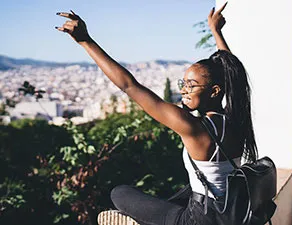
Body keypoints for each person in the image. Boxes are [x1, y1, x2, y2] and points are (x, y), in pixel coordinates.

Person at [56, 2, 258, 225]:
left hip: (199, 220)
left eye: (191, 85)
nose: (183, 89)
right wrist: (216, 32)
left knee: (119, 193)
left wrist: (86, 41)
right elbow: (231, 75)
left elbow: (129, 86)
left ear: (214, 91)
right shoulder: (236, 119)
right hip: (232, 213)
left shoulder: (195, 128)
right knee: (181, 194)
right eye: (183, 83)